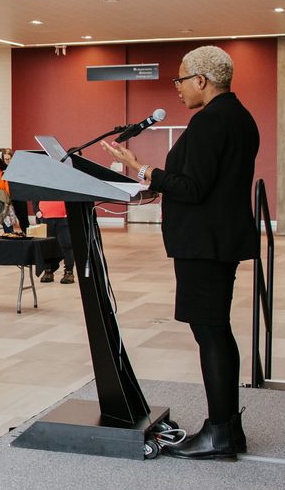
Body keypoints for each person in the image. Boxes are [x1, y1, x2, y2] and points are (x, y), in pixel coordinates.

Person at [101, 44, 261, 459]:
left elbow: (193, 187)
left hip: (204, 243)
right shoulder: (239, 117)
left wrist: (143, 170)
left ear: (202, 80)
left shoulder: (211, 121)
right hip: (217, 240)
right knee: (215, 330)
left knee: (211, 333)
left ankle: (220, 433)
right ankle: (227, 427)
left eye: (180, 79)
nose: (177, 88)